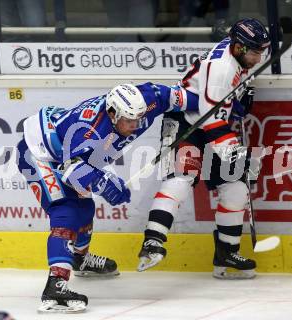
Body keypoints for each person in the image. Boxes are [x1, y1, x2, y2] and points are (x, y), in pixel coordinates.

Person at [16, 82, 198, 313]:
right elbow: (74, 173)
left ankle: (80, 259)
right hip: (39, 155)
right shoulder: (88, 131)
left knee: (86, 208)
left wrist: (215, 102)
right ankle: (56, 286)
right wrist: (105, 185)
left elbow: (177, 97)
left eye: (139, 119)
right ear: (112, 114)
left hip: (73, 155)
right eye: (128, 121)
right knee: (67, 210)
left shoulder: (147, 99)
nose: (135, 126)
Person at [137, 18, 271, 280]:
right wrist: (231, 150)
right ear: (240, 48)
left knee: (236, 187)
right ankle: (152, 241)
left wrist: (238, 99)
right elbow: (210, 117)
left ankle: (226, 255)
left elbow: (220, 104)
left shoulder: (237, 55)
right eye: (255, 52)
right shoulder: (221, 68)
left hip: (211, 121)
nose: (259, 58)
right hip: (186, 123)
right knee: (181, 179)